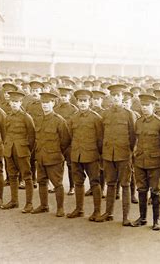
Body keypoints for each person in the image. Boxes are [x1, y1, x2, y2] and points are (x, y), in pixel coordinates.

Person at [96, 84, 136, 226]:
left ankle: (125, 217)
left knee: (125, 184)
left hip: (124, 154)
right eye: (113, 96)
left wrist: (130, 153)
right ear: (110, 98)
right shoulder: (105, 114)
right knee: (110, 183)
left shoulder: (128, 114)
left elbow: (133, 136)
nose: (116, 98)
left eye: (118, 96)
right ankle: (108, 213)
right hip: (108, 155)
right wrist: (103, 153)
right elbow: (101, 136)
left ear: (122, 97)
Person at [132, 94, 160, 230]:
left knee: (155, 191)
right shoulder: (138, 122)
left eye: (147, 105)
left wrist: (158, 156)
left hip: (155, 163)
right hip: (140, 161)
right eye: (143, 106)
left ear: (153, 106)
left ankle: (156, 220)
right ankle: (142, 218)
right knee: (141, 190)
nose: (145, 108)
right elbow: (135, 140)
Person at [65, 89, 103, 222]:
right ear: (77, 101)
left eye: (85, 101)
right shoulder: (73, 118)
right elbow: (69, 136)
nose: (82, 104)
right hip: (76, 155)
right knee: (78, 182)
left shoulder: (96, 118)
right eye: (80, 101)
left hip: (92, 155)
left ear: (89, 102)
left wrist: (98, 155)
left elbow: (100, 139)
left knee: (94, 182)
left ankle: (97, 211)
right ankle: (79, 209)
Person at [31, 92, 70, 217]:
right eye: (43, 103)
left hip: (54, 158)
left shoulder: (59, 120)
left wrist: (58, 154)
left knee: (57, 183)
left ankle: (60, 208)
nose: (45, 105)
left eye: (47, 103)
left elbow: (65, 141)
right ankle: (44, 205)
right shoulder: (38, 119)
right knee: (42, 182)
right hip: (41, 156)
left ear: (53, 103)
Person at [1, 91, 36, 213]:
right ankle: (14, 201)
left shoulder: (26, 117)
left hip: (22, 151)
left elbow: (32, 137)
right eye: (12, 102)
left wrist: (27, 150)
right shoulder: (8, 117)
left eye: (16, 102)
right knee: (12, 176)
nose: (14, 104)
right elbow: (5, 133)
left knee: (27, 176)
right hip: (9, 150)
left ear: (21, 102)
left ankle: (29, 203)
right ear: (9, 102)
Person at [54, 87, 78, 196]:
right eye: (62, 96)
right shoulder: (56, 109)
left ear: (69, 97)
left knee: (70, 165)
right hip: (58, 141)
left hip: (69, 141)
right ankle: (57, 184)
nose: (63, 98)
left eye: (65, 96)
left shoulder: (74, 110)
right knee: (57, 164)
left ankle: (72, 186)